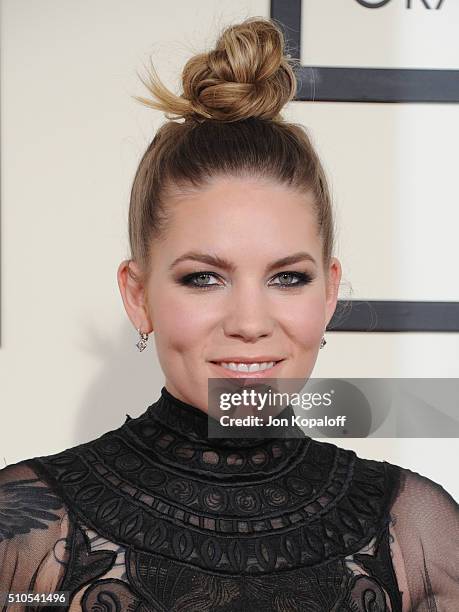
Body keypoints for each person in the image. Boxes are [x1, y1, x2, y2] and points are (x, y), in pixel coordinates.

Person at [0, 16, 458, 612]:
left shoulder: (420, 531)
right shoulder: (27, 534)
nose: (249, 321)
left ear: (328, 295)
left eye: (287, 278)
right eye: (204, 278)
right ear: (138, 295)